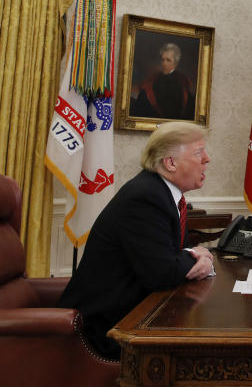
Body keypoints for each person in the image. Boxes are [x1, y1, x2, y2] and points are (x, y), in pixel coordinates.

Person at [58, 122, 214, 358]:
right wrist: (194, 257)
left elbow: (169, 255)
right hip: (106, 329)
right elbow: (162, 272)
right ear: (170, 163)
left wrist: (188, 256)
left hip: (132, 314)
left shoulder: (162, 193)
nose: (207, 159)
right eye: (198, 152)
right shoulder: (146, 197)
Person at [131, 42, 196, 120]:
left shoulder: (183, 81)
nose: (164, 63)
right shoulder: (152, 80)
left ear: (176, 63)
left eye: (168, 60)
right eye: (163, 60)